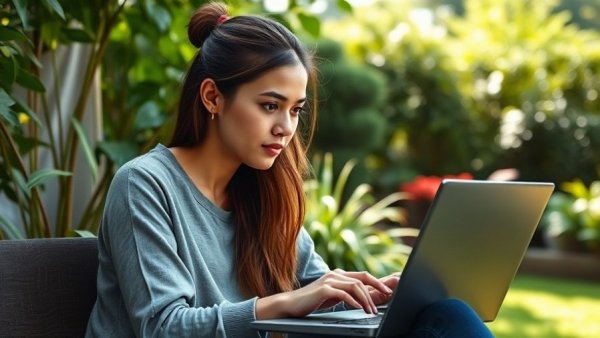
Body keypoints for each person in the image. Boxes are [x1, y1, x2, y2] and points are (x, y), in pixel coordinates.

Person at [85, 2, 494, 337]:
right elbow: (162, 328)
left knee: (447, 315)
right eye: (269, 105)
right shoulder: (145, 184)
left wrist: (375, 294)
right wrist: (280, 304)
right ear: (212, 97)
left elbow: (311, 285)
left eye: (295, 110)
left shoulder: (260, 188)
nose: (285, 128)